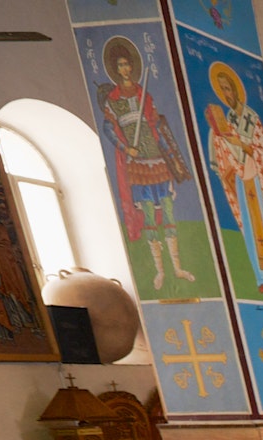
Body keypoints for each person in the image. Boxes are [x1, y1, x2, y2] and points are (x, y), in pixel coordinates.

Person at [97, 36, 195, 291]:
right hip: (137, 161)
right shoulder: (113, 100)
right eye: (119, 65)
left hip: (157, 158)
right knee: (149, 215)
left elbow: (157, 124)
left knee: (169, 211)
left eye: (127, 64)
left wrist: (169, 151)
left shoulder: (144, 94)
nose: (125, 69)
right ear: (115, 70)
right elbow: (108, 129)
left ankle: (177, 267)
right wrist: (125, 147)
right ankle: (160, 271)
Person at [204, 62, 263, 297]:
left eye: (229, 88)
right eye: (223, 89)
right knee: (251, 230)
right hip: (242, 182)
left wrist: (240, 144)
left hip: (259, 180)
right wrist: (219, 139)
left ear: (236, 90)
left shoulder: (251, 117)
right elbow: (225, 152)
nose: (227, 94)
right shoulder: (228, 121)